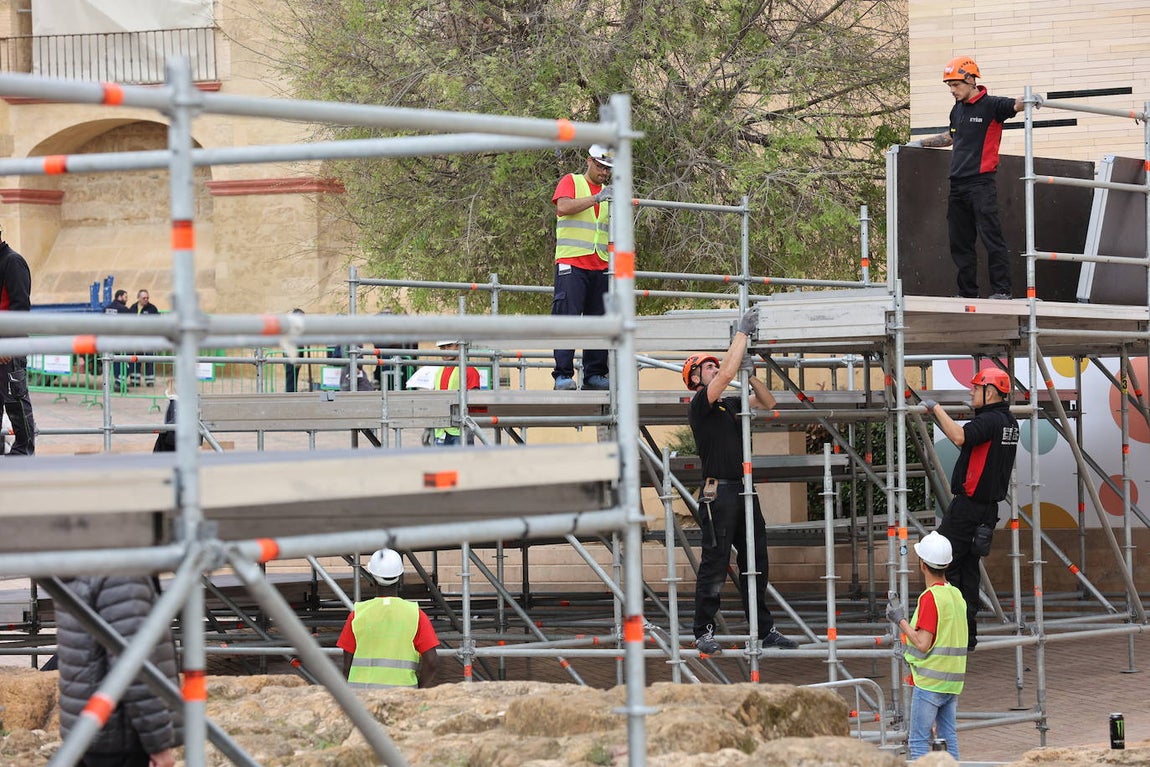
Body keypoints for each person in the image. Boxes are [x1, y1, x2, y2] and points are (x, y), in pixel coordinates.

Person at [682, 306, 798, 654]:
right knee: (715, 564)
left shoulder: (731, 404)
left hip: (745, 492)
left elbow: (769, 402)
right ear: (695, 379)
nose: (715, 368)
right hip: (719, 494)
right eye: (708, 367)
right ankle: (703, 630)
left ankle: (764, 629)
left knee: (756, 563)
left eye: (716, 364)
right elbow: (730, 368)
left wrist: (752, 375)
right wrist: (742, 334)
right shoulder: (700, 404)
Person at [909, 56, 1027, 300]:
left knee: (991, 237)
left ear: (971, 80)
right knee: (960, 242)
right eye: (949, 86)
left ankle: (1002, 291)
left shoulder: (992, 105)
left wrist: (1031, 100)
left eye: (956, 85)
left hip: (981, 184)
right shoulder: (957, 109)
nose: (952, 90)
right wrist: (919, 143)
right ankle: (967, 293)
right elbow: (952, 137)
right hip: (958, 185)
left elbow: (1017, 104)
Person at [923, 367, 1019, 650]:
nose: (971, 392)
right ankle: (967, 636)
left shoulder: (990, 420)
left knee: (942, 565)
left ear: (990, 393)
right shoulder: (1010, 423)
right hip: (987, 512)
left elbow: (959, 437)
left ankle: (945, 632)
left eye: (976, 389)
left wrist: (935, 408)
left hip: (968, 509)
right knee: (968, 571)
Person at [56, 575, 182, 767]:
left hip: (86, 730)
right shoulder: (123, 576)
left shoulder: (79, 563)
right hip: (122, 733)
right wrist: (158, 744)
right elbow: (136, 669)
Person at [887, 531, 968, 761]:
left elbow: (923, 643)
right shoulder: (956, 595)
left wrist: (899, 619)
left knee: (918, 741)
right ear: (948, 564)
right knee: (948, 736)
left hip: (929, 682)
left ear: (922, 564)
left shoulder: (930, 597)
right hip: (952, 681)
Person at [550, 144, 614, 391]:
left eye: (607, 169)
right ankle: (563, 375)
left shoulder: (610, 193)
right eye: (600, 166)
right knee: (567, 319)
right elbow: (563, 207)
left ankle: (594, 374)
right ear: (589, 161)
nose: (603, 172)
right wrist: (596, 198)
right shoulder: (572, 181)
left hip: (601, 264)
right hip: (572, 262)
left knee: (598, 321)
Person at [336, 548, 441, 688]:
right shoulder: (415, 614)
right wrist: (418, 691)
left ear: (372, 578)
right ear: (400, 578)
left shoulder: (358, 614)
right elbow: (432, 661)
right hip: (403, 699)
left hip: (362, 699)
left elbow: (347, 665)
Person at [0, 230, 36, 456]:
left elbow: (20, 307)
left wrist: (7, 344)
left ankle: (23, 456)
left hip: (8, 350)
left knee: (17, 405)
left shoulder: (12, 261)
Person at [431, 339, 481, 446]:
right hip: (440, 430)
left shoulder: (470, 370)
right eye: (442, 348)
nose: (445, 350)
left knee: (462, 461)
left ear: (459, 346)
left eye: (449, 346)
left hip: (460, 429)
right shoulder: (439, 371)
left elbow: (475, 401)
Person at [128, 289, 160, 386]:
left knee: (149, 359)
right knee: (135, 359)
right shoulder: (133, 308)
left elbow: (157, 322)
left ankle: (149, 381)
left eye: (147, 298)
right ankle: (135, 380)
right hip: (135, 339)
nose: (146, 299)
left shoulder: (152, 309)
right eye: (144, 298)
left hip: (148, 339)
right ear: (138, 298)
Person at [104, 290, 132, 389]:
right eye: (125, 297)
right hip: (122, 339)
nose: (126, 299)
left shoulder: (106, 308)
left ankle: (117, 381)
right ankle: (119, 382)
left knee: (115, 360)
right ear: (119, 297)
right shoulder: (124, 309)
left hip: (109, 339)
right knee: (127, 361)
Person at [284, 308, 306, 393]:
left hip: (296, 355)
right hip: (291, 355)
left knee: (294, 376)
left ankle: (292, 392)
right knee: (291, 376)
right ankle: (290, 393)